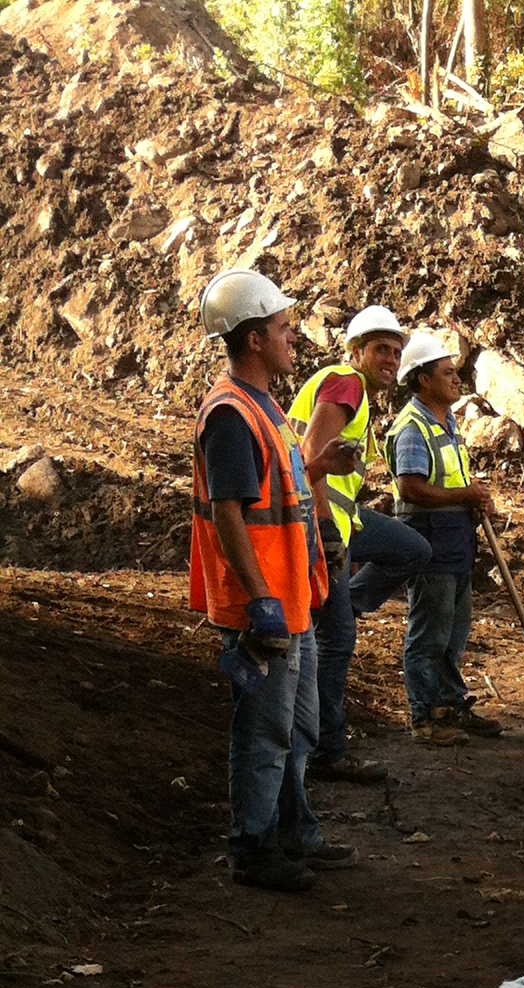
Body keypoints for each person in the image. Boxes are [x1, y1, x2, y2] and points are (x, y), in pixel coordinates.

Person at [188, 269, 355, 895]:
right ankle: (253, 847)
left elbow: (273, 495)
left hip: (293, 598)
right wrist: (259, 598)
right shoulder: (231, 414)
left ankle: (294, 830)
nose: (295, 338)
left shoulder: (266, 407)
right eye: (284, 328)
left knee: (296, 723)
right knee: (263, 729)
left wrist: (318, 468)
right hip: (264, 605)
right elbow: (229, 513)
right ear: (254, 339)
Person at [288, 305, 433, 785]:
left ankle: (346, 604)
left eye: (396, 350)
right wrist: (326, 527)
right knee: (337, 642)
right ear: (356, 353)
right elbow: (311, 457)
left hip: (344, 521)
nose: (391, 358)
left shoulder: (355, 394)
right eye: (380, 350)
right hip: (322, 523)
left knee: (413, 549)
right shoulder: (347, 383)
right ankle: (327, 751)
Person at [385, 330, 503, 743]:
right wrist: (463, 495)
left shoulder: (446, 422)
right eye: (447, 372)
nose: (457, 380)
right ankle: (424, 718)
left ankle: (450, 704)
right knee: (428, 634)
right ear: (423, 380)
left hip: (455, 539)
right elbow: (410, 487)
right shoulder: (413, 427)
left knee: (454, 632)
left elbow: (451, 479)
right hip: (429, 540)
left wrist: (474, 500)